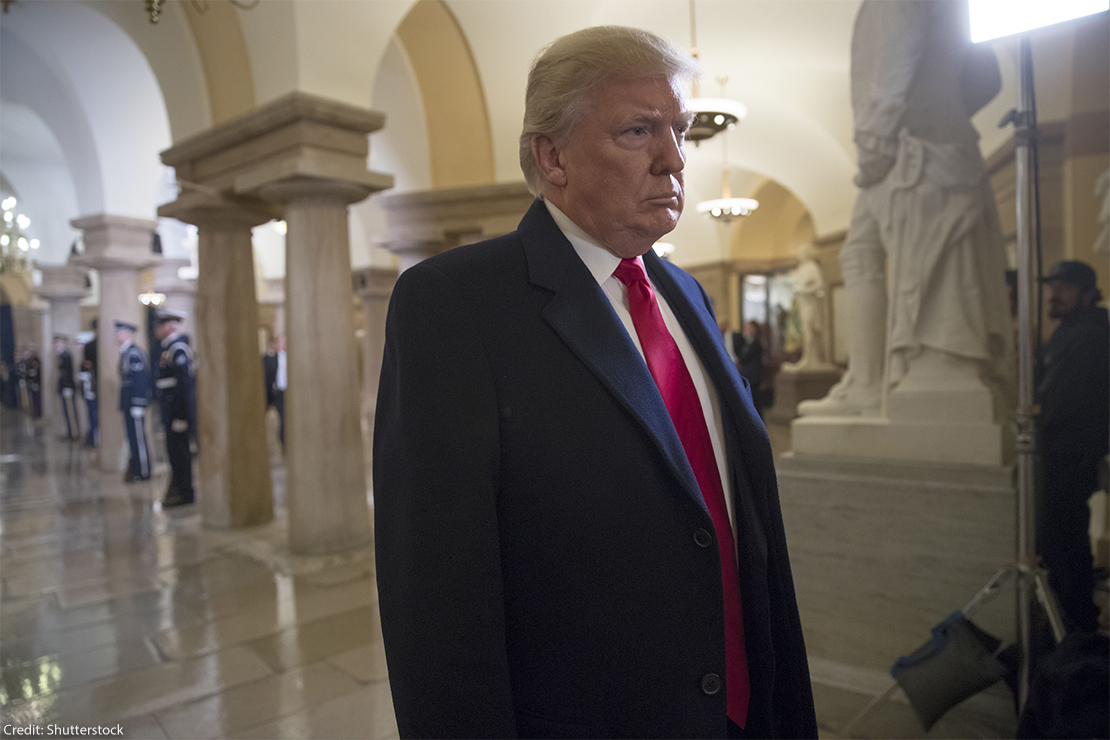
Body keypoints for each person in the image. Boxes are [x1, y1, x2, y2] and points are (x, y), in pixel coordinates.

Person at [374, 26, 815, 740]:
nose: (674, 160)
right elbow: (437, 601)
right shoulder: (455, 304)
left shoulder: (686, 294)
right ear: (553, 157)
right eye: (639, 131)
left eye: (680, 129)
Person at [799, 0, 1012, 417]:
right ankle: (865, 380)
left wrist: (879, 137)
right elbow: (988, 78)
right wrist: (945, 103)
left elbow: (897, 54)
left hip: (909, 148)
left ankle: (871, 381)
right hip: (931, 139)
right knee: (859, 253)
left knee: (883, 256)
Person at [1036, 260, 1108, 634]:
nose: (1053, 294)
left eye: (1063, 287)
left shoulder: (1092, 334)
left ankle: (1078, 628)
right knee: (1060, 540)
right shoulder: (1070, 331)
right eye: (1052, 286)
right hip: (1061, 452)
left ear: (1085, 292)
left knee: (1065, 541)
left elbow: (1062, 400)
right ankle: (1072, 622)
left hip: (1070, 454)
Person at [153, 309, 196, 507]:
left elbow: (184, 385)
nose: (157, 329)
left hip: (176, 411)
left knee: (180, 453)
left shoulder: (178, 349)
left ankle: (185, 492)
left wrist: (181, 415)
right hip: (170, 409)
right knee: (174, 453)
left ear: (170, 326)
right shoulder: (167, 348)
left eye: (161, 325)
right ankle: (178, 488)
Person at [116, 321, 152, 482]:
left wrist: (138, 403)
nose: (117, 335)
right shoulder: (126, 352)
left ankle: (143, 471)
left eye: (120, 332)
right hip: (128, 401)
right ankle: (136, 468)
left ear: (128, 333)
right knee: (132, 437)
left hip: (134, 402)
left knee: (138, 437)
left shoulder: (134, 353)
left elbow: (140, 379)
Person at [54, 335, 81, 441]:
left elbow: (68, 373)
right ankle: (70, 432)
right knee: (66, 411)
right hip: (64, 387)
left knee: (70, 411)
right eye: (56, 343)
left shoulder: (67, 356)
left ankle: (74, 434)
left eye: (59, 343)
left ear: (64, 344)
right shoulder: (61, 356)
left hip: (67, 387)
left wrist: (68, 387)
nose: (57, 346)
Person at [77, 329, 99, 447]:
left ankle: (94, 440)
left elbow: (91, 377)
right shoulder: (83, 363)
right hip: (88, 391)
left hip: (91, 391)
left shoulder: (88, 363)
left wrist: (90, 391)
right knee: (90, 415)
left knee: (93, 416)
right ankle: (91, 438)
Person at [272, 333, 287, 450]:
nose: (282, 343)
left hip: (289, 393)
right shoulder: (272, 358)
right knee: (282, 418)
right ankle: (283, 444)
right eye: (280, 341)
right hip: (278, 393)